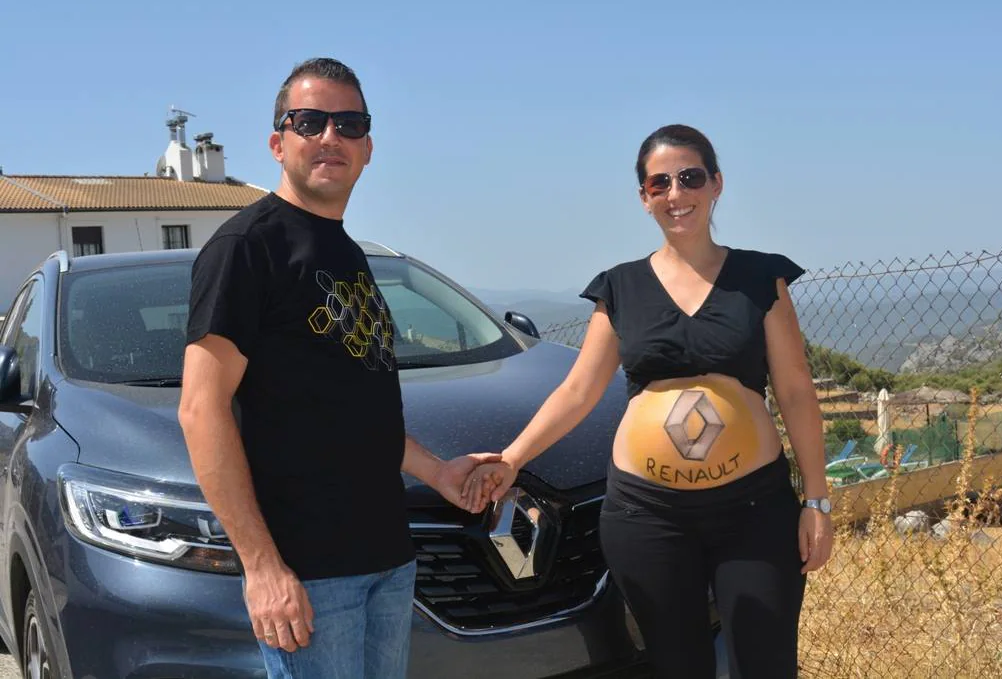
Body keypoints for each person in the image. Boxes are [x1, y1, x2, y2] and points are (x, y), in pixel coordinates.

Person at [462, 124, 833, 678]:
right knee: (676, 666)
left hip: (754, 511)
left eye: (690, 178)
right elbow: (577, 390)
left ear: (716, 185)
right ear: (644, 198)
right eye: (659, 184)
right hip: (648, 517)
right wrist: (512, 458)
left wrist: (818, 501)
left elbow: (797, 392)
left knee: (767, 666)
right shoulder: (620, 288)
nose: (676, 194)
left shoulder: (761, 278)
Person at [178, 57, 499, 679]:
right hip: (309, 574)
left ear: (369, 148)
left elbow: (352, 409)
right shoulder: (246, 248)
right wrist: (263, 567)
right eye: (310, 121)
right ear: (278, 142)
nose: (331, 136)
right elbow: (200, 409)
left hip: (387, 558)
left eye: (349, 123)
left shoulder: (347, 253)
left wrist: (440, 473)